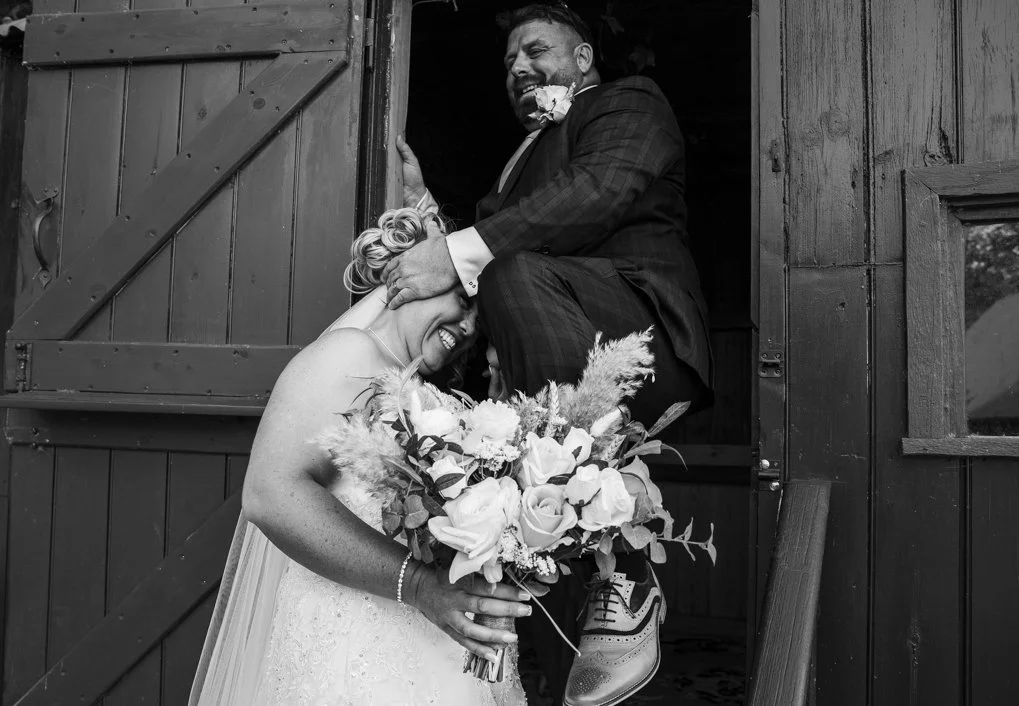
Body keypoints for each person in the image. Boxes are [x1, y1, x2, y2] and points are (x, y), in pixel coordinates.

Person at [383, 4, 714, 705]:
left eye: (536, 50)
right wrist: (430, 216)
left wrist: (463, 250)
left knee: (507, 267)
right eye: (509, 62)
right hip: (542, 369)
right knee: (528, 530)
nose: (518, 68)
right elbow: (495, 245)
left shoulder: (629, 103)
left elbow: (596, 195)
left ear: (585, 58)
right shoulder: (514, 170)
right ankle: (554, 668)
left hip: (637, 333)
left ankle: (628, 573)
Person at [189, 208, 528, 706]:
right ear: (411, 276)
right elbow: (269, 493)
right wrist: (417, 585)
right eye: (463, 298)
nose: (470, 327)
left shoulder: (424, 394)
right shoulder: (349, 355)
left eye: (482, 320)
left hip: (432, 667)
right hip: (351, 664)